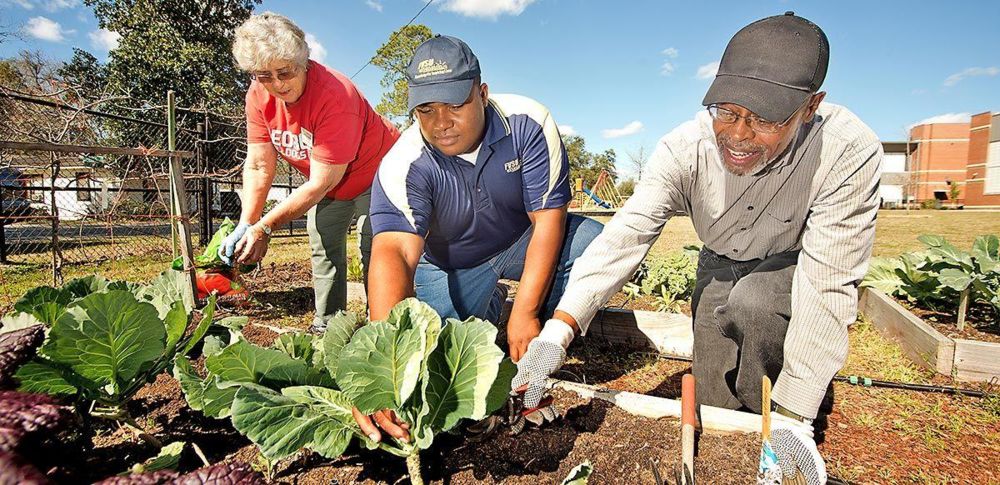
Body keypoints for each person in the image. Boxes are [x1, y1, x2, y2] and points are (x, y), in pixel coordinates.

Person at [515, 12, 882, 484]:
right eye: (727, 111)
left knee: (756, 307)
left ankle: (781, 408)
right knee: (713, 405)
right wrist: (556, 334)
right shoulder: (684, 150)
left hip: (790, 266)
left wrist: (795, 415)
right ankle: (750, 409)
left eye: (764, 119)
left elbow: (828, 283)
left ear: (810, 108)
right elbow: (624, 237)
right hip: (718, 260)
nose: (739, 134)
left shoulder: (848, 152)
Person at [352, 35, 603, 443]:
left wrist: (526, 310)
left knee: (595, 247)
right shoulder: (405, 162)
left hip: (521, 240)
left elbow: (548, 220)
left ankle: (543, 338)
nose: (441, 122)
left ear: (482, 94)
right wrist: (382, 366)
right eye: (426, 109)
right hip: (452, 263)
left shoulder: (529, 123)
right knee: (445, 358)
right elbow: (394, 251)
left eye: (455, 104)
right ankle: (486, 307)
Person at [220, 12, 400, 332]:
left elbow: (319, 183)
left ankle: (382, 324)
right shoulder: (258, 96)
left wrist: (266, 226)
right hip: (331, 183)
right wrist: (248, 222)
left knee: (376, 246)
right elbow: (260, 163)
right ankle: (328, 324)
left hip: (377, 174)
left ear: (303, 61)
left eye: (285, 72)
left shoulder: (335, 95)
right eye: (264, 75)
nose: (277, 84)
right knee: (323, 243)